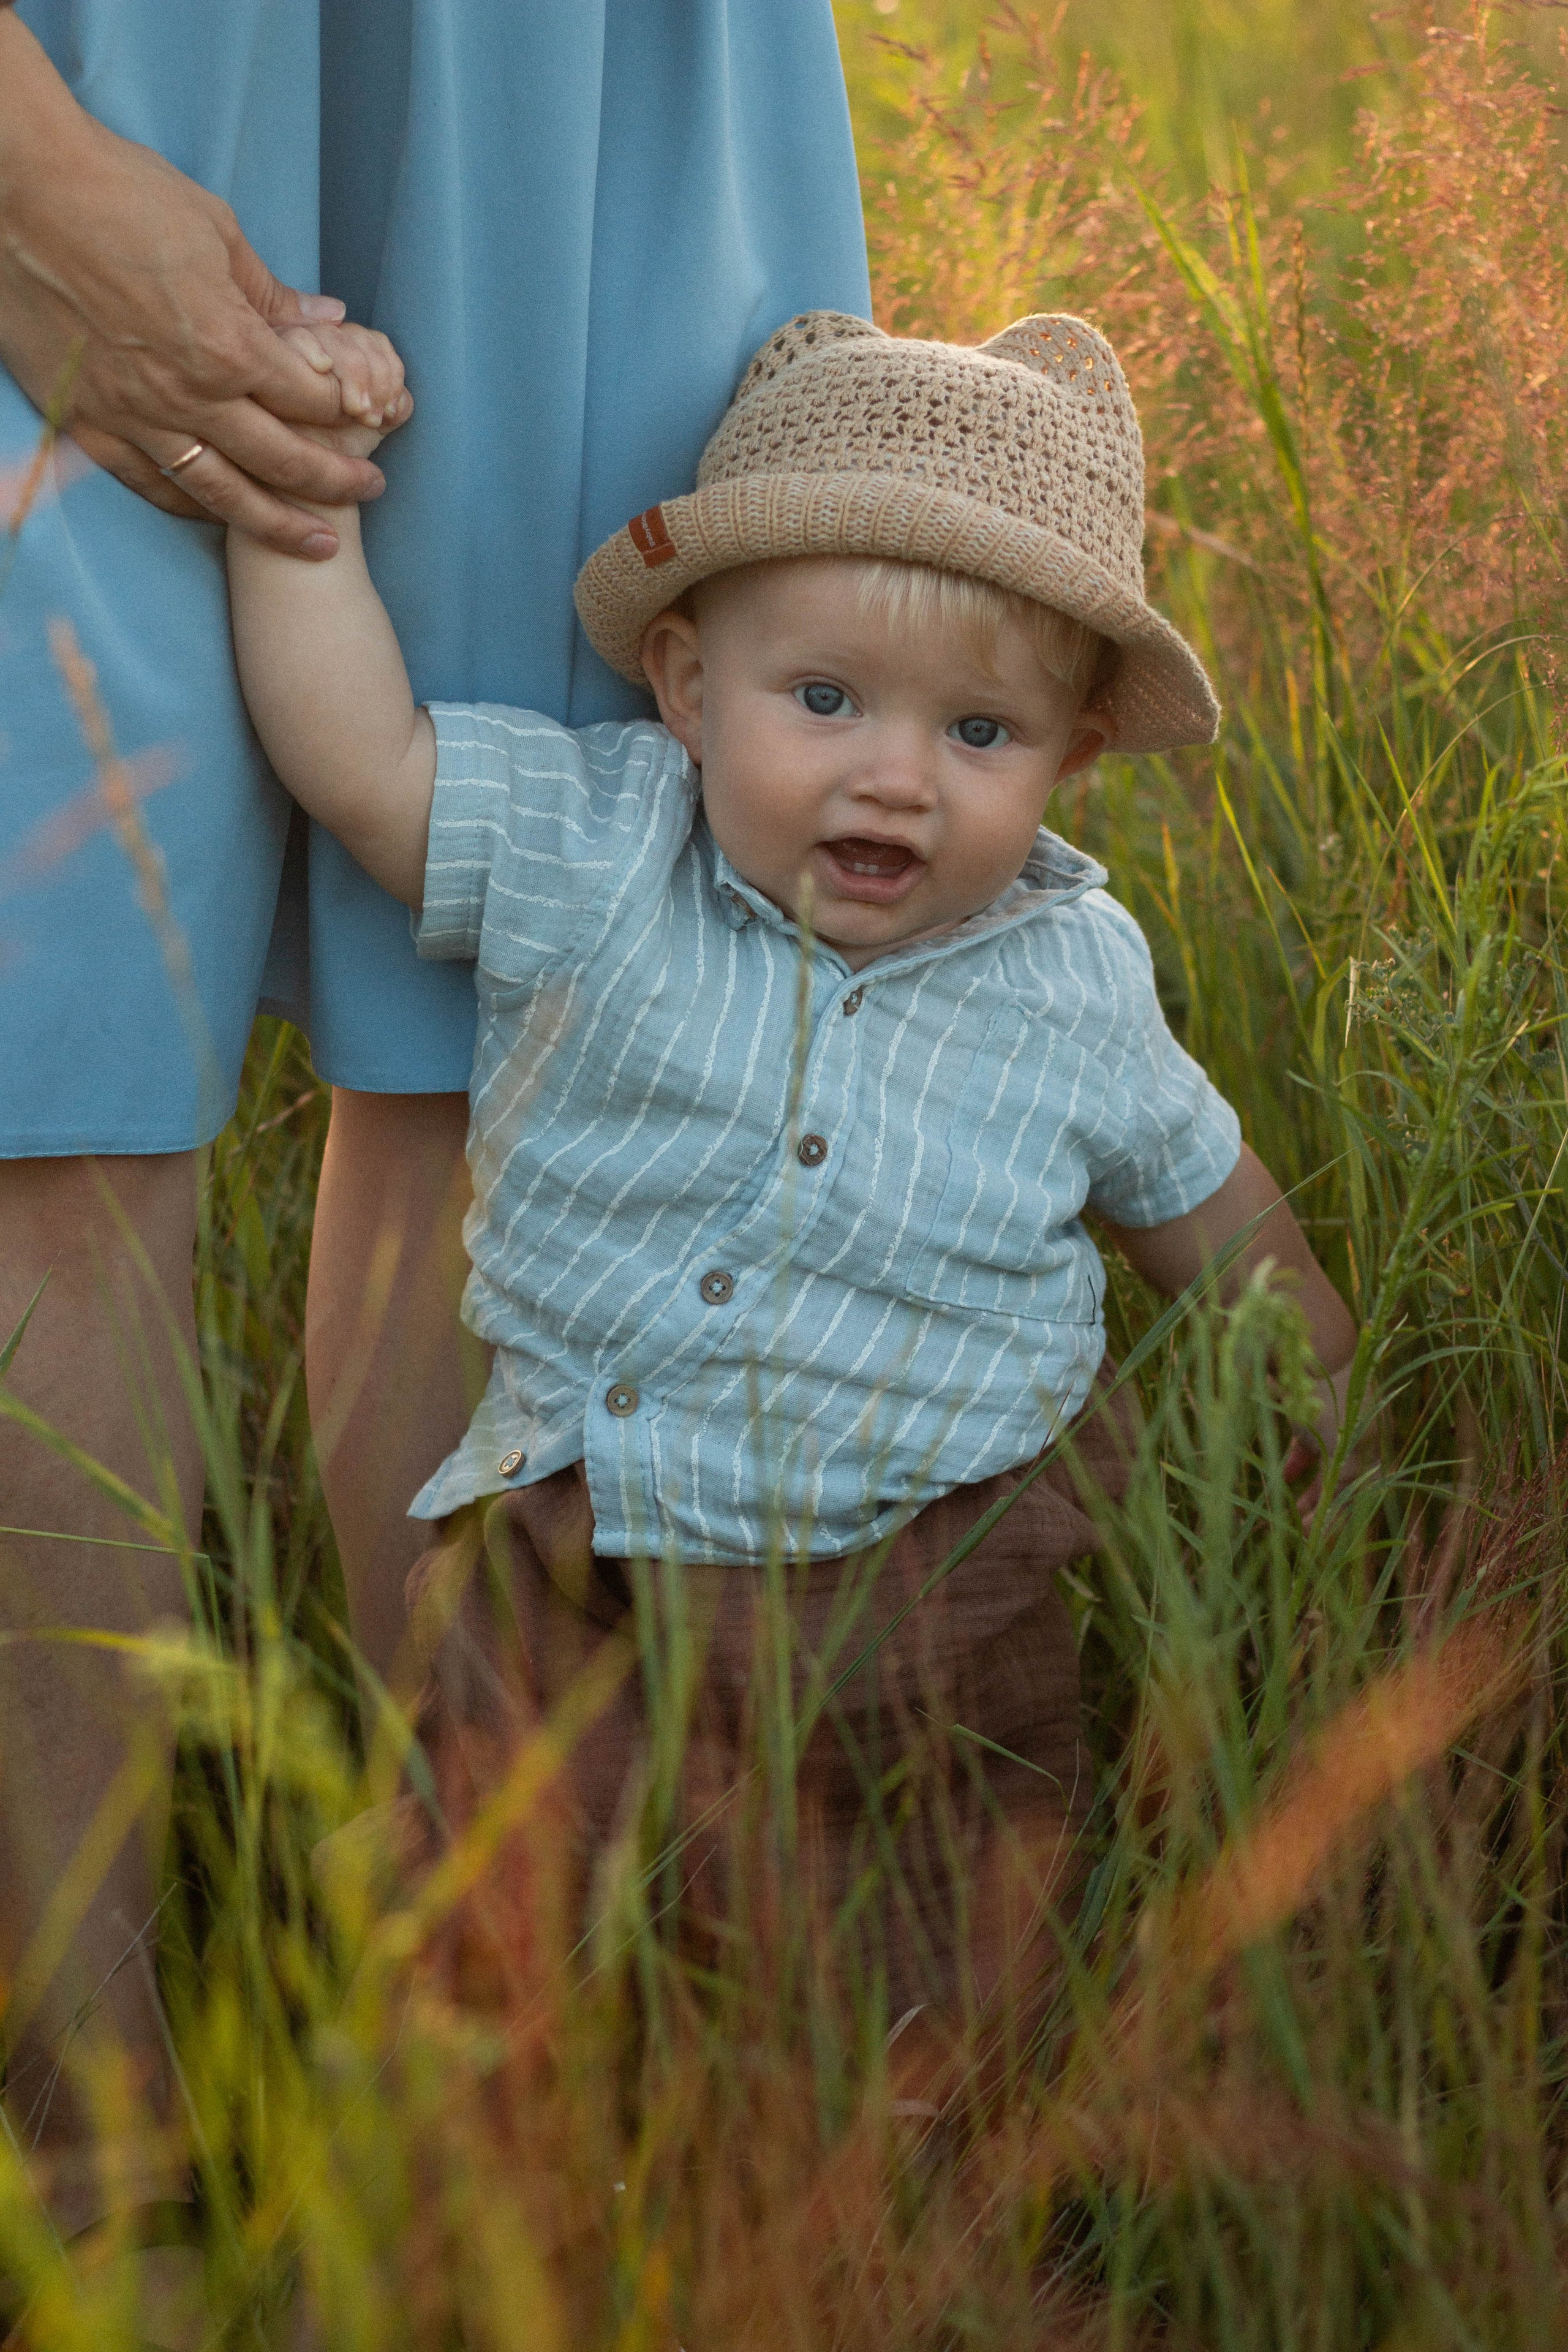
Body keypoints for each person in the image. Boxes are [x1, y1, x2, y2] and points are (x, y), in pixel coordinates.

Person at [222, 308, 1360, 2056]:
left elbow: (1207, 1204)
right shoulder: (606, 848)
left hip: (937, 1575)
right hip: (586, 1546)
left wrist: (1317, 1389)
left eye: (980, 732)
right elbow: (363, 766)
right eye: (822, 701)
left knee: (930, 1964)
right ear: (687, 686)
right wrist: (294, 517)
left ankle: (881, 2204)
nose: (894, 776)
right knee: (503, 1942)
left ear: (1071, 759)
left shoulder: (1077, 975)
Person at [0, 0, 870, 2284]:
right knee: (40, 1073)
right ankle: (93, 2193)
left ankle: (449, 2130)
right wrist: (30, 177)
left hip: (596, 62)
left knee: (556, 1046)